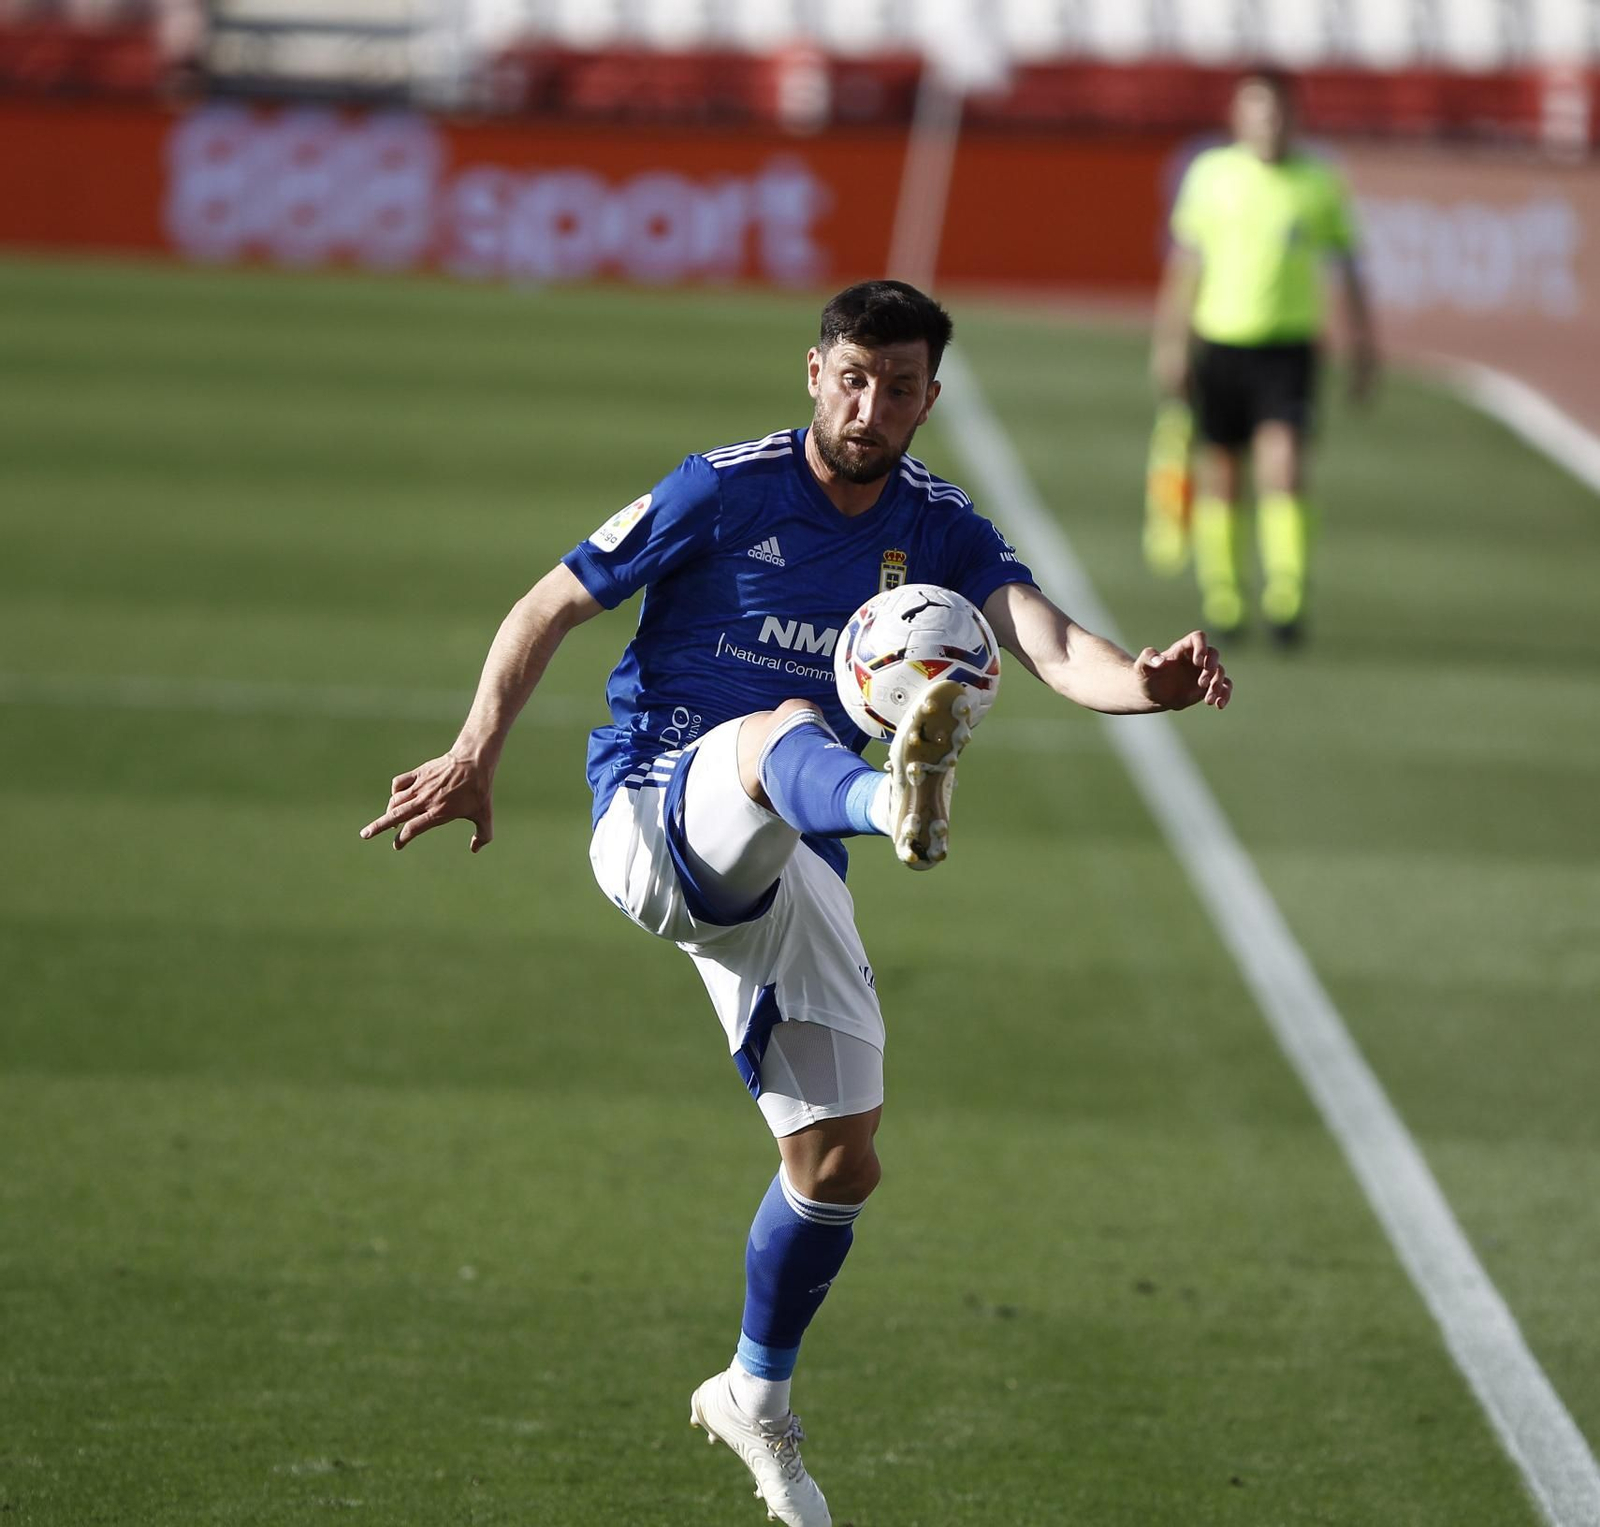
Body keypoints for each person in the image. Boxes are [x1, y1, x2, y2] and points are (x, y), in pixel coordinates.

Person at [360, 280, 1232, 1527]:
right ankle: (896, 803)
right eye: (853, 376)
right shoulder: (724, 486)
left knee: (838, 1164)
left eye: (900, 386)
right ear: (815, 371)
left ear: (931, 397)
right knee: (773, 729)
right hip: (659, 813)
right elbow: (551, 602)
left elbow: (1045, 641)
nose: (872, 405)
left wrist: (1145, 682)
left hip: (787, 869)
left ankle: (752, 1394)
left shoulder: (941, 530)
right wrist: (474, 753)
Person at [1151, 66, 1378, 644]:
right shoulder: (1213, 175)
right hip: (1221, 344)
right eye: (1256, 109)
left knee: (1285, 467)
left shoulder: (1318, 180)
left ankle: (1287, 598)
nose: (1268, 121)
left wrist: (1363, 346)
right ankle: (1225, 598)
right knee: (1221, 476)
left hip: (1289, 348)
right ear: (1239, 116)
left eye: (1277, 110)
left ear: (1294, 116)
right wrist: (1172, 344)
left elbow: (1347, 265)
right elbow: (1187, 266)